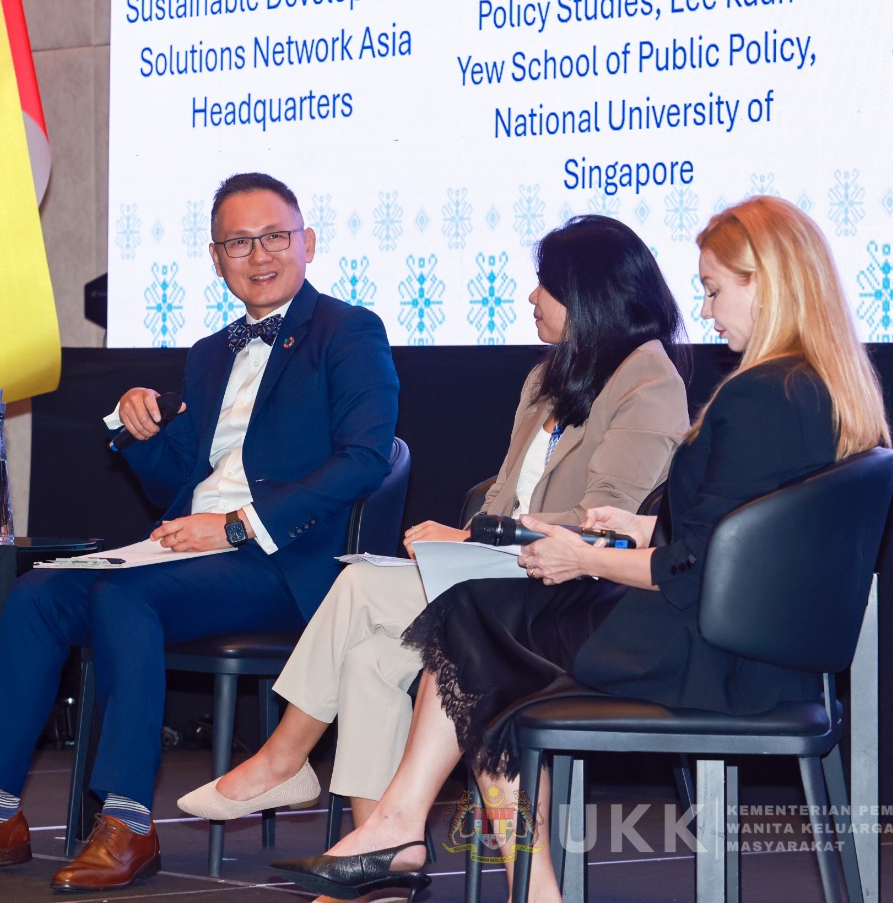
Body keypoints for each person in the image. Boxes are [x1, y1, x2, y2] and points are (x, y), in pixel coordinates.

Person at [270, 196, 892, 902]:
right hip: (751, 653)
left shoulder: (761, 397)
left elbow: (699, 571)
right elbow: (740, 540)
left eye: (716, 289)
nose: (706, 310)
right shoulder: (815, 390)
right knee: (482, 642)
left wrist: (587, 558)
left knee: (473, 626)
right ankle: (433, 843)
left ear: (768, 284)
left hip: (713, 657)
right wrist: (642, 527)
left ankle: (408, 831)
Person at [0, 173, 401, 889]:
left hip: (286, 562)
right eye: (238, 243)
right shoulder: (211, 351)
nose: (259, 255)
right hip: (193, 550)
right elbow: (176, 484)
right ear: (215, 258)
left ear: (306, 242)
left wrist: (238, 527)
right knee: (36, 596)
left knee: (126, 599)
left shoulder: (349, 331)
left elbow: (366, 457)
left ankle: (127, 820)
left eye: (275, 237)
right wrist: (138, 430)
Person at [176, 215, 689, 835]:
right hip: (503, 572)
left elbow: (604, 525)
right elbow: (502, 493)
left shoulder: (649, 380)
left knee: (360, 586)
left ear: (589, 294)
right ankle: (383, 853)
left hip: (570, 590)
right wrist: (475, 536)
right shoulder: (547, 377)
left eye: (546, 284)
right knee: (368, 659)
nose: (531, 296)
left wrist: (475, 538)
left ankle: (283, 759)